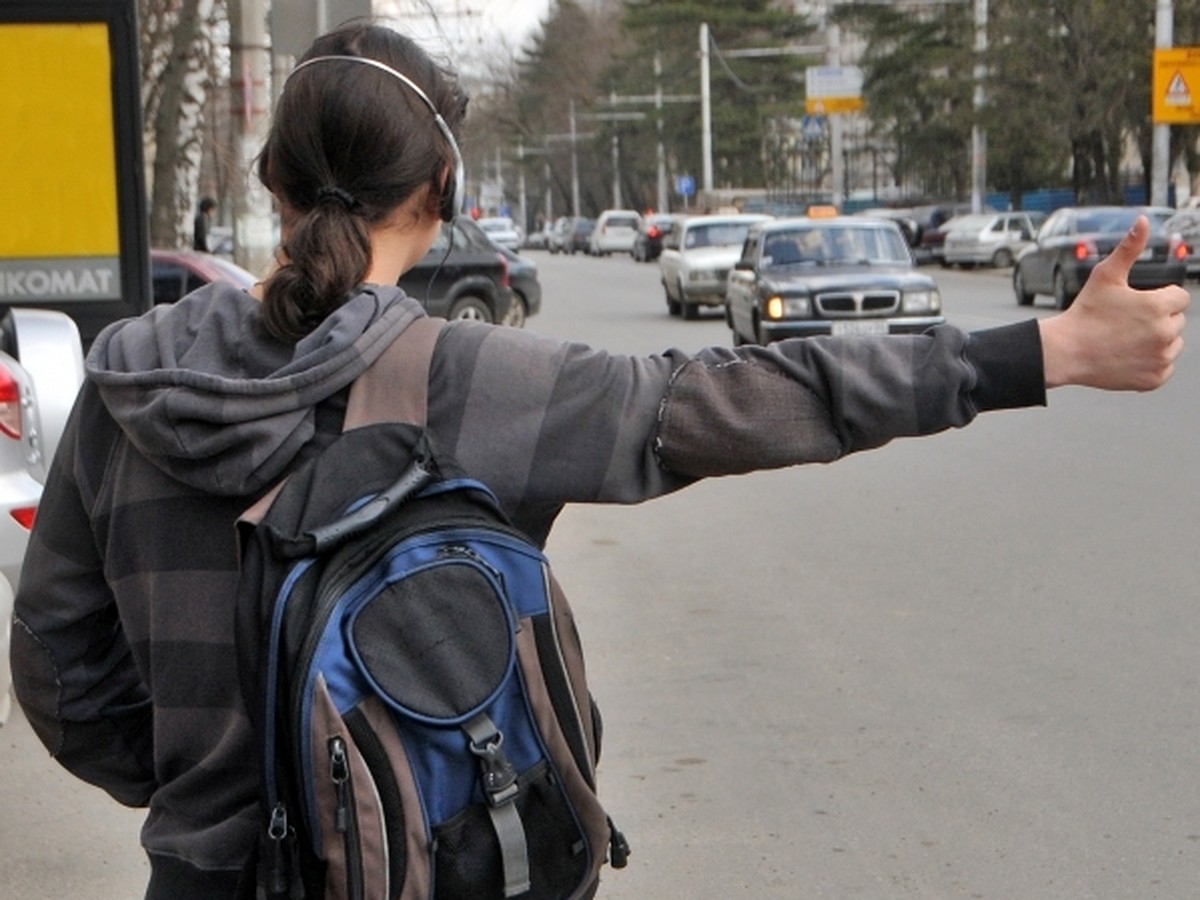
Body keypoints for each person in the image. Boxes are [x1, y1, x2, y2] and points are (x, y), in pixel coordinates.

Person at [10, 21, 1187, 900]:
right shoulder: (476, 379)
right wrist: (1050, 350)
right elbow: (765, 395)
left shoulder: (131, 381)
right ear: (440, 194)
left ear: (270, 183)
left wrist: (212, 789)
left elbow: (61, 673)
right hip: (446, 866)